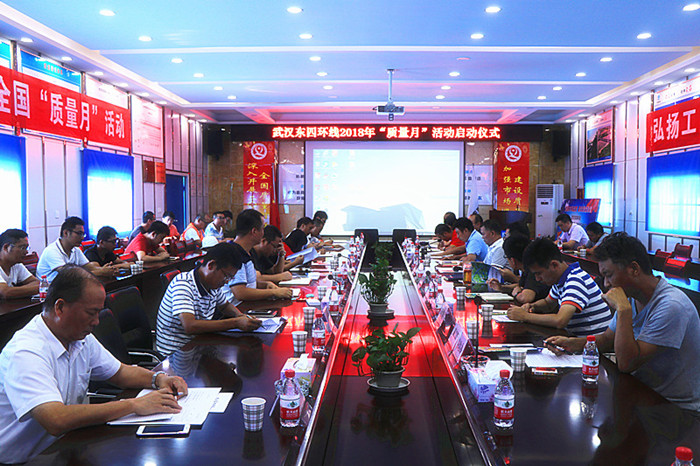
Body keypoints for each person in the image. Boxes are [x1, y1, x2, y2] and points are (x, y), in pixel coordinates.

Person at [0, 266, 188, 463]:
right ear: (60, 307)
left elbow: (120, 372)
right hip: (26, 459)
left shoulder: (78, 337)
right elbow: (56, 419)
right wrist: (134, 405)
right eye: (91, 313)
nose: (97, 321)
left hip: (66, 444)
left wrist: (158, 379)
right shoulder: (26, 351)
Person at [546, 233, 700, 412]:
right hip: (642, 393)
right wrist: (572, 343)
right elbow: (606, 340)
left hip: (674, 409)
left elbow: (626, 363)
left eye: (609, 275)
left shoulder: (671, 305)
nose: (606, 284)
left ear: (634, 269)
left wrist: (623, 310)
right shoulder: (634, 298)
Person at [156, 243, 262, 356]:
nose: (227, 281)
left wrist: (240, 316)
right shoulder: (183, 284)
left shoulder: (212, 284)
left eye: (230, 278)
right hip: (176, 353)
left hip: (198, 345)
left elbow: (225, 305)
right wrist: (236, 322)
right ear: (211, 265)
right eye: (226, 276)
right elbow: (190, 326)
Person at [507, 238, 612, 336]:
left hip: (592, 345)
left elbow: (560, 321)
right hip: (577, 339)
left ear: (554, 265)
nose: (537, 279)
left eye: (539, 273)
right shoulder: (561, 280)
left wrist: (525, 316)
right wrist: (532, 306)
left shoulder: (575, 280)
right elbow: (548, 303)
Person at [227, 209, 293, 306]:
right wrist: (273, 292)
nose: (263, 233)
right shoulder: (234, 253)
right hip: (238, 308)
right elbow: (240, 292)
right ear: (254, 231)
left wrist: (266, 284)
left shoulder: (246, 252)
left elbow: (249, 283)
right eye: (262, 229)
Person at [36, 217, 116, 281]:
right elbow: (68, 274)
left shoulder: (75, 249)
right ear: (66, 233)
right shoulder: (52, 251)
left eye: (83, 234)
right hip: (49, 290)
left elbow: (88, 266)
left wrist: (105, 269)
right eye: (79, 233)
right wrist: (101, 272)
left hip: (67, 287)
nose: (82, 238)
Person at [488, 234, 550, 304]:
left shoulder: (534, 269)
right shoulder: (526, 268)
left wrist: (517, 293)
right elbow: (521, 286)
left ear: (513, 261)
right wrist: (501, 287)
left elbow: (525, 298)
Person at [0, 229, 39, 299]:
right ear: (6, 247)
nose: (26, 252)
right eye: (22, 248)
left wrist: (14, 290)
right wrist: (35, 288)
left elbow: (37, 283)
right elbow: (5, 292)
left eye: (27, 248)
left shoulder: (16, 264)